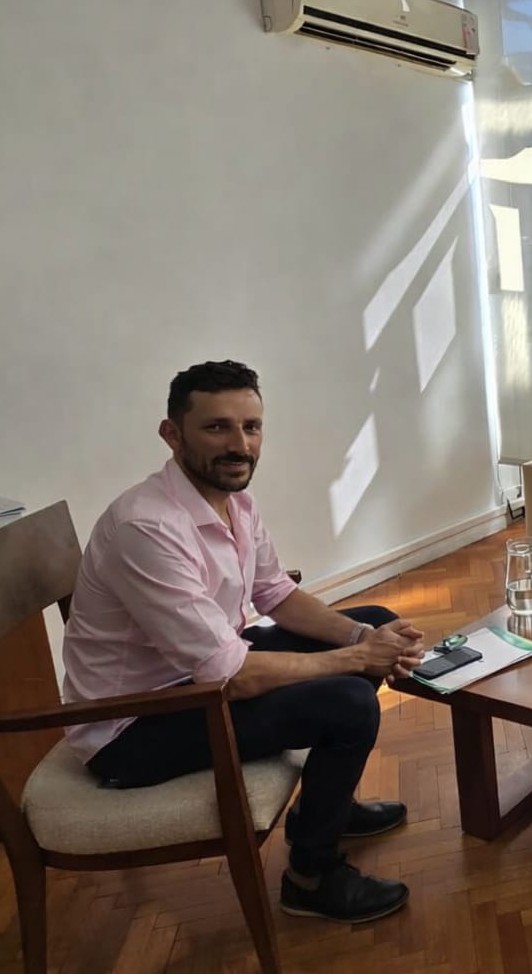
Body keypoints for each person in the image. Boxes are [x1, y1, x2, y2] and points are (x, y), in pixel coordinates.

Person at [62, 360, 426, 923]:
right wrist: (358, 656)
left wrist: (363, 636)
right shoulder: (147, 527)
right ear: (172, 434)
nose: (240, 445)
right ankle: (311, 877)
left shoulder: (234, 501)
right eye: (217, 427)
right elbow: (230, 675)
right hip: (134, 726)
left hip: (197, 676)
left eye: (251, 427)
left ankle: (324, 810)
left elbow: (275, 592)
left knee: (375, 618)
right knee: (350, 703)